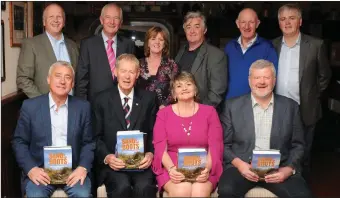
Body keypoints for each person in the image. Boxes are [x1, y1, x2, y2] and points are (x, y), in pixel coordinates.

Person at [218, 59, 312, 198]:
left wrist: (287, 169)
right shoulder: (232, 106)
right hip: (243, 167)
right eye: (257, 77)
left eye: (266, 77)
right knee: (226, 191)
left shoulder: (290, 107)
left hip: (279, 168)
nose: (261, 82)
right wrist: (240, 165)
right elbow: (225, 145)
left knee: (302, 195)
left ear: (274, 80)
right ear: (250, 80)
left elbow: (298, 145)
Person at [12, 61, 95, 197]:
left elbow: (89, 143)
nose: (62, 81)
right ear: (48, 79)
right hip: (41, 171)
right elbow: (19, 142)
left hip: (72, 171)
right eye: (58, 76)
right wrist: (31, 169)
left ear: (72, 84)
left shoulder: (82, 108)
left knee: (83, 195)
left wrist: (82, 168)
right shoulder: (30, 107)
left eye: (67, 77)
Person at [272, 4, 332, 179]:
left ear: (300, 21)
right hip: (279, 110)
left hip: (305, 108)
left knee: (303, 154)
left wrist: (311, 95)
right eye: (283, 19)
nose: (287, 22)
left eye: (292, 18)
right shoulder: (272, 45)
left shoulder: (315, 45)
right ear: (278, 23)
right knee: (280, 151)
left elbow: (324, 76)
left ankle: (302, 186)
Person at [93, 54, 158, 198]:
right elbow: (95, 137)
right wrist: (107, 157)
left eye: (131, 72)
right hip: (114, 165)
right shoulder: (101, 99)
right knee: (122, 186)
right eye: (123, 71)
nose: (127, 76)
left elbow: (154, 132)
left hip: (141, 164)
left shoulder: (149, 99)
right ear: (115, 72)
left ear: (138, 74)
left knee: (145, 187)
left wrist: (151, 153)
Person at [152, 71, 223, 197]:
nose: (184, 88)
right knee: (181, 190)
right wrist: (171, 169)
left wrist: (206, 169)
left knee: (199, 191)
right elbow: (160, 147)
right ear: (174, 94)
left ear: (195, 89)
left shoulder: (210, 112)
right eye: (179, 86)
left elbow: (215, 145)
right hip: (172, 165)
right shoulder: (163, 114)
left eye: (188, 84)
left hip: (203, 165)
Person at [75, 3, 135, 102]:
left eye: (116, 18)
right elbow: (82, 79)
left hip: (122, 104)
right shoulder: (88, 44)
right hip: (95, 104)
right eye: (108, 17)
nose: (112, 22)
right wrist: (82, 106)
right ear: (101, 20)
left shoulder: (128, 44)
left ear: (120, 22)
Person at [17, 3, 79, 98]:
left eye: (59, 16)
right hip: (44, 108)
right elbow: (23, 79)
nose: (55, 20)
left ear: (64, 22)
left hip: (71, 106)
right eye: (51, 16)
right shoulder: (31, 44)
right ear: (44, 22)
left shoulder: (73, 46)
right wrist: (43, 103)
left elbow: (78, 78)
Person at [175, 11, 228, 109]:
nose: (192, 31)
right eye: (188, 27)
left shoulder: (216, 55)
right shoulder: (181, 51)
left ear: (204, 30)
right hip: (179, 109)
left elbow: (216, 93)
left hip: (201, 112)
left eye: (197, 26)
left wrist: (198, 112)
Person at [225, 8, 278, 99]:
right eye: (243, 22)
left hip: (255, 105)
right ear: (237, 24)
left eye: (251, 22)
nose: (247, 26)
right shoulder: (229, 47)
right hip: (230, 104)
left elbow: (271, 79)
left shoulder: (267, 48)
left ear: (257, 23)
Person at [137, 26, 179, 109]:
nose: (157, 42)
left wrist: (165, 105)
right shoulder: (138, 64)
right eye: (153, 39)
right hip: (141, 111)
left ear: (164, 44)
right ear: (148, 43)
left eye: (160, 39)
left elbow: (177, 88)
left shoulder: (171, 64)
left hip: (165, 111)